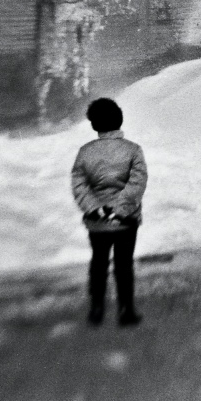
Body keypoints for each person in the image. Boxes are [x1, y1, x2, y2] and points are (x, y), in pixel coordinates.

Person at [71, 98, 148, 327]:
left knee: (98, 263)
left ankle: (96, 309)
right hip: (126, 221)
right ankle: (126, 311)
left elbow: (79, 185)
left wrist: (95, 209)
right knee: (124, 265)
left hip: (98, 222)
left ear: (94, 124)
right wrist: (120, 211)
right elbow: (137, 184)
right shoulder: (133, 150)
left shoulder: (85, 152)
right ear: (119, 120)